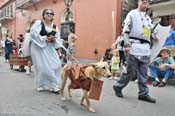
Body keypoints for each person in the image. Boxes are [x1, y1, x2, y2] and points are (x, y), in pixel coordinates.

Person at [113, 0, 157, 103]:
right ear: (138, 2)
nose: (145, 1)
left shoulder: (147, 18)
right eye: (143, 0)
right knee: (130, 72)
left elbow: (150, 31)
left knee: (143, 74)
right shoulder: (132, 14)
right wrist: (127, 44)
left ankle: (143, 93)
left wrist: (155, 35)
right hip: (134, 46)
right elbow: (126, 30)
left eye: (147, 1)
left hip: (145, 48)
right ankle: (118, 86)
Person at [30, 9, 63, 93]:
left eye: (51, 13)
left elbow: (58, 39)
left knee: (57, 64)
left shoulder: (55, 27)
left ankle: (52, 84)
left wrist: (53, 40)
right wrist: (45, 38)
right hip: (38, 48)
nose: (49, 15)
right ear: (43, 15)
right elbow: (33, 35)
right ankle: (49, 85)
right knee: (42, 67)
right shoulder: (38, 24)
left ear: (53, 16)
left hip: (49, 48)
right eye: (47, 13)